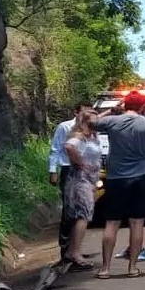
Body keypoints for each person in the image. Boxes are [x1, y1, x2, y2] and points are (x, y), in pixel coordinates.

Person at [92, 90, 145, 278]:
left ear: (124, 105)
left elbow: (90, 123)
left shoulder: (113, 121)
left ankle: (105, 269)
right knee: (137, 223)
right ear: (143, 106)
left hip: (116, 178)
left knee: (112, 223)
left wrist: (112, 111)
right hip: (141, 177)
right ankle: (132, 267)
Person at [60, 108, 102, 269]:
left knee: (82, 215)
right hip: (80, 180)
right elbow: (69, 147)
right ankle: (75, 252)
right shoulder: (80, 137)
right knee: (82, 215)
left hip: (89, 180)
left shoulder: (92, 135)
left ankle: (73, 250)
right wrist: (80, 162)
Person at [48, 101, 90, 260]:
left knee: (82, 211)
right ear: (76, 112)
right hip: (69, 170)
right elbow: (55, 149)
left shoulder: (90, 129)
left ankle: (75, 249)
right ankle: (65, 250)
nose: (87, 115)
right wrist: (53, 171)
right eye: (84, 111)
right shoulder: (65, 127)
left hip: (84, 173)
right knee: (69, 211)